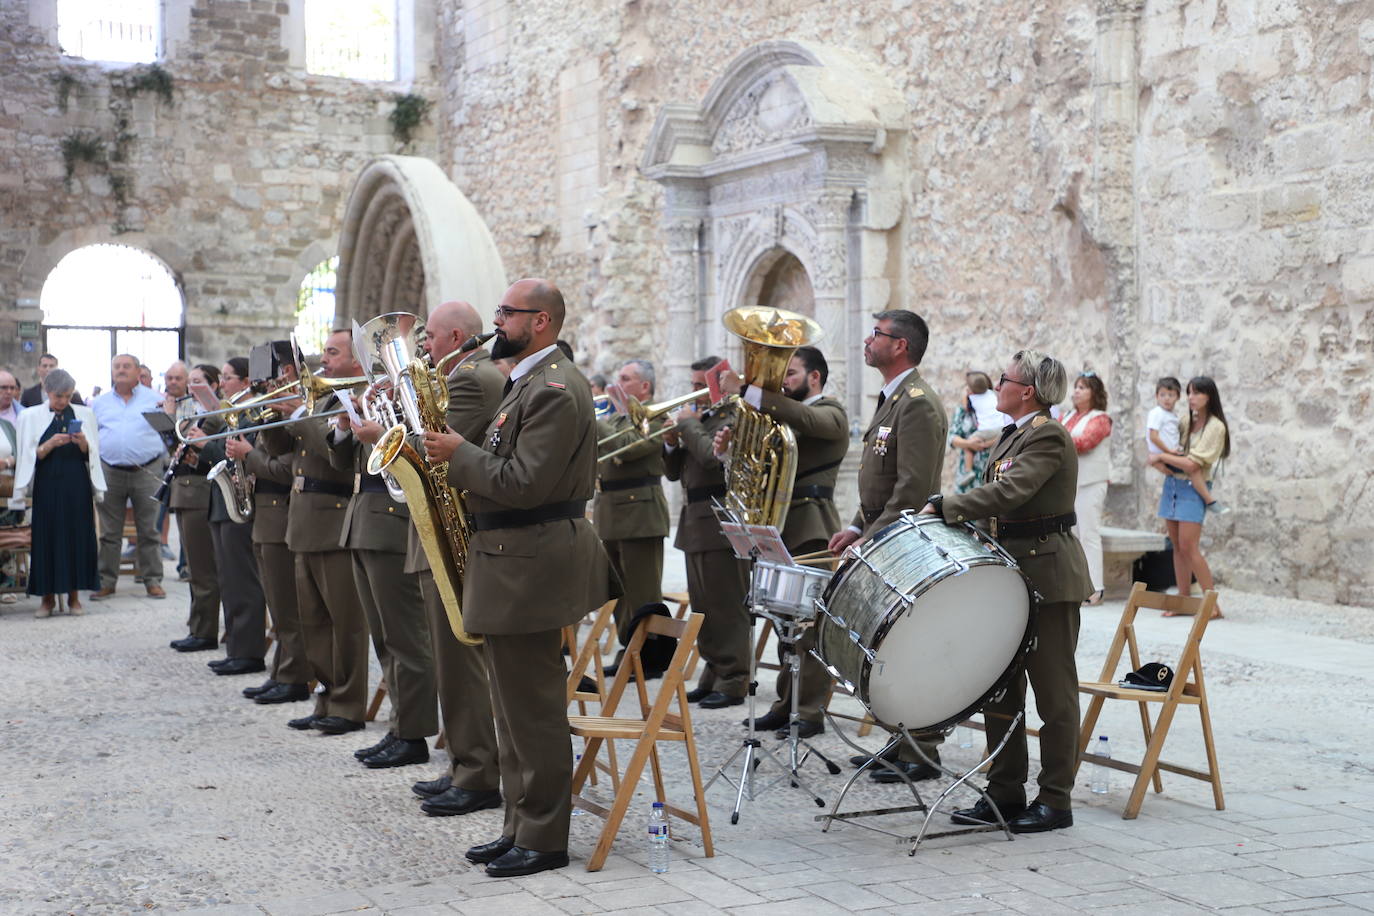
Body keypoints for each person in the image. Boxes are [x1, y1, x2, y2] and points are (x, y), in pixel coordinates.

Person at [423, 278, 612, 877]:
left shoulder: (554, 388)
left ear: (542, 323)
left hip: (531, 560)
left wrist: (458, 454)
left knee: (531, 710)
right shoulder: (524, 382)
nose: (496, 321)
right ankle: (517, 825)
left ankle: (545, 836)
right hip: (510, 556)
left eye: (508, 312)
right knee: (508, 707)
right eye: (499, 310)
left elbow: (525, 482)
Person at [923, 349, 1092, 833]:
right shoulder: (1011, 434)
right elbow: (996, 500)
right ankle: (1005, 792)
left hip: (1049, 575)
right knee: (1001, 689)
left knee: (1054, 696)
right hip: (1009, 575)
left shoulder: (1050, 436)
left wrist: (948, 505)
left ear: (1027, 391)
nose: (997, 386)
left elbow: (1010, 493)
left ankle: (1056, 800)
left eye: (1004, 380)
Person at [362, 300, 503, 814]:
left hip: (451, 526)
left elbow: (434, 449)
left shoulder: (471, 377)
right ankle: (467, 765)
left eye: (431, 338)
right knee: (450, 661)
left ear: (457, 334)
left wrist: (387, 431)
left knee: (460, 664)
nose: (424, 347)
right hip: (436, 527)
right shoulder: (463, 374)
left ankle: (478, 772)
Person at [826, 310, 947, 783]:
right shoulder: (893, 399)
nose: (867, 340)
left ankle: (923, 750)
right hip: (883, 539)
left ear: (900, 346)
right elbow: (880, 486)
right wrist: (857, 527)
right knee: (887, 649)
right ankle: (900, 742)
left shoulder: (916, 402)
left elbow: (912, 492)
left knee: (912, 647)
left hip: (903, 545)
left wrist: (872, 542)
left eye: (877, 334)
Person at [716, 345, 848, 739]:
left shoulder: (831, 413)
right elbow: (756, 468)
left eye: (791, 374)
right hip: (779, 529)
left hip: (811, 528)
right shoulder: (783, 422)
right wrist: (729, 453)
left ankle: (809, 711)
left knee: (809, 626)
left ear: (815, 378)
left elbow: (805, 417)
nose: (784, 381)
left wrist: (750, 392)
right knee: (784, 624)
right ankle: (785, 704)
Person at [258, 331, 371, 735]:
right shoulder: (317, 396)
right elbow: (277, 451)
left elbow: (336, 456)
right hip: (304, 519)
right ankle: (326, 698)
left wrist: (297, 415)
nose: (321, 359)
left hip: (334, 516)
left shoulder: (357, 395)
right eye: (324, 350)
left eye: (332, 351)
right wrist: (271, 411)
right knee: (314, 622)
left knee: (345, 622)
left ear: (356, 361)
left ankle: (348, 705)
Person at [329, 383, 437, 770]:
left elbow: (420, 453)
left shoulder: (412, 397)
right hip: (363, 521)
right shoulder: (381, 400)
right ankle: (400, 727)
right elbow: (343, 463)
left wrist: (378, 436)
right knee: (384, 638)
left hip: (390, 524)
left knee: (404, 637)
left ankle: (413, 733)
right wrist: (346, 427)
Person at [664, 356, 751, 710]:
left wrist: (687, 427)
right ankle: (713, 673)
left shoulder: (733, 416)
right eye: (691, 385)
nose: (693, 393)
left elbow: (712, 460)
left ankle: (734, 679)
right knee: (703, 607)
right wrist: (671, 441)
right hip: (695, 520)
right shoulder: (700, 420)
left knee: (725, 605)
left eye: (699, 385)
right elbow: (672, 472)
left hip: (720, 520)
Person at [232, 342, 311, 705]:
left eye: (284, 371)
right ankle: (281, 669)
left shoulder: (303, 410)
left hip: (282, 513)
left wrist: (250, 457)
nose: (278, 378)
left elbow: (284, 468)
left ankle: (293, 675)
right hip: (266, 514)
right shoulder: (281, 407)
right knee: (278, 607)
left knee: (288, 607)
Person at [191, 357, 267, 676]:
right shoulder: (232, 412)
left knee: (242, 580)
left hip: (239, 502)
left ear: (246, 382)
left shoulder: (251, 413)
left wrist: (205, 444)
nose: (222, 384)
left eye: (227, 377)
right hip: (222, 502)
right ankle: (236, 647)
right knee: (228, 579)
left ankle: (248, 652)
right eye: (220, 378)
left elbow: (231, 451)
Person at [14, 370, 103, 617]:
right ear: (47, 392)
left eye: (66, 396)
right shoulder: (30, 416)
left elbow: (93, 454)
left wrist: (82, 442)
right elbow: (27, 456)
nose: (62, 401)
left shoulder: (85, 414)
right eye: (57, 396)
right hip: (48, 484)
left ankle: (75, 597)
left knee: (77, 536)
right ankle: (47, 600)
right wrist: (49, 444)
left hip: (76, 484)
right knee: (47, 538)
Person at [595, 358, 670, 650]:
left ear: (645, 385)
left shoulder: (659, 415)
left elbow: (628, 448)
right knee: (619, 592)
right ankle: (630, 650)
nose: (618, 384)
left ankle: (651, 654)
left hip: (640, 514)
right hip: (610, 511)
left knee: (643, 592)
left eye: (626, 379)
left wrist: (594, 420)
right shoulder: (616, 417)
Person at [1149, 376, 1231, 619]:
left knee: (1189, 546)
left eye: (1197, 393)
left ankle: (1212, 604)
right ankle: (1182, 601)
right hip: (1172, 485)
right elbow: (1167, 447)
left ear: (1209, 396)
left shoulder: (1216, 427)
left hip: (1193, 490)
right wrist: (1160, 458)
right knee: (1176, 546)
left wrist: (1160, 458)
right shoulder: (1185, 420)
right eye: (1190, 393)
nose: (1191, 398)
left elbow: (1192, 463)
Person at [90, 354, 166, 600]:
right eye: (117, 366)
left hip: (147, 471)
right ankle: (106, 581)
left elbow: (167, 432)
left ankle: (152, 580)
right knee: (110, 532)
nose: (121, 370)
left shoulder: (155, 400)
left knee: (148, 530)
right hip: (110, 470)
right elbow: (91, 435)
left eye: (126, 366)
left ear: (137, 372)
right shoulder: (99, 403)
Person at [165, 364, 224, 652]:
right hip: (186, 493)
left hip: (198, 493)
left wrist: (173, 426)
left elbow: (199, 453)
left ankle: (204, 631)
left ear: (214, 385)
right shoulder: (196, 414)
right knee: (195, 567)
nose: (191, 388)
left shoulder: (212, 416)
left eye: (198, 382)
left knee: (202, 568)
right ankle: (198, 626)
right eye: (191, 383)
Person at [1060, 371, 1112, 606]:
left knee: (1089, 533)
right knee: (1071, 535)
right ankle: (1076, 584)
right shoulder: (1068, 416)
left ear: (1094, 392)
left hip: (1091, 482)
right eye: (1076, 386)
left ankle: (1095, 588)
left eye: (1083, 387)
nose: (1077, 391)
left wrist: (1054, 441)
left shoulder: (1101, 419)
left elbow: (1085, 443)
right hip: (1070, 483)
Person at [948, 372, 999, 494]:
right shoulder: (962, 411)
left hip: (990, 471)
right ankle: (968, 470)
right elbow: (952, 438)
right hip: (967, 479)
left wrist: (986, 444)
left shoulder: (995, 406)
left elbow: (1005, 433)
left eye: (968, 388)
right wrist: (970, 444)